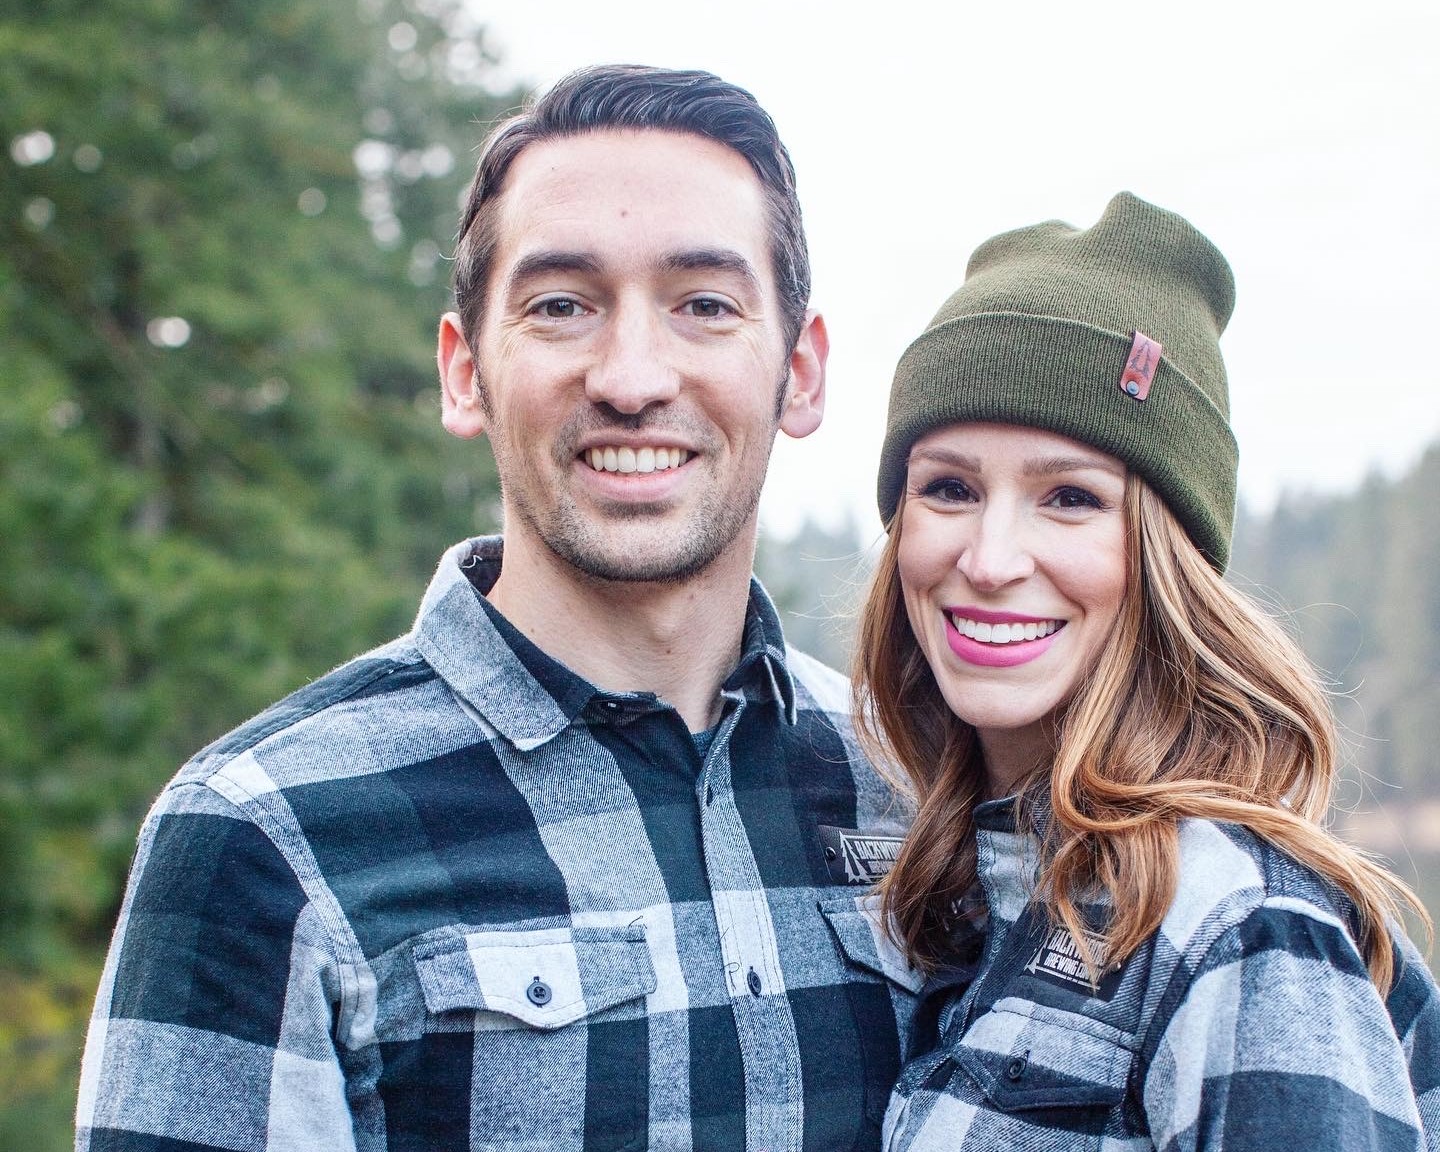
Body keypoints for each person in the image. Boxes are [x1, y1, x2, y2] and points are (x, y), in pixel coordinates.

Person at [76, 65, 918, 1152]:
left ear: (799, 374)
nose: (630, 376)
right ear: (465, 371)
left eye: (704, 304)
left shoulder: (918, 790)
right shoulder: (260, 839)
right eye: (561, 305)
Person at [854, 192, 1440, 1150]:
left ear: (1163, 562)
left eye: (1071, 498)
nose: (993, 558)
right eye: (950, 489)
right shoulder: (965, 889)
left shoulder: (1239, 933)